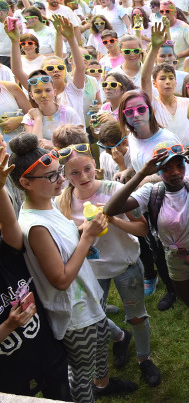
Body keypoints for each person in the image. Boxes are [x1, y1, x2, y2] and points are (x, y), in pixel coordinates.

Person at [10, 133, 137, 401]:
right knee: (79, 375)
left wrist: (83, 230)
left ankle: (103, 384)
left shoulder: (48, 206)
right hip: (74, 315)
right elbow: (60, 279)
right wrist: (88, 236)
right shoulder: (36, 226)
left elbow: (65, 242)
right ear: (25, 183)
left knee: (102, 341)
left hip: (88, 300)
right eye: (52, 176)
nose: (61, 180)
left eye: (59, 173)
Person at [104, 142, 189, 379]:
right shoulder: (151, 191)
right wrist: (141, 173)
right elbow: (111, 208)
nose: (174, 172)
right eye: (166, 168)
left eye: (179, 165)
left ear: (185, 165)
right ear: (157, 171)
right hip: (175, 260)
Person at [55, 139, 162, 387]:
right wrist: (86, 229)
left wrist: (114, 220)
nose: (83, 176)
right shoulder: (62, 201)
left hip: (126, 266)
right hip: (91, 272)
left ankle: (144, 360)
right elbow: (65, 241)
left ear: (95, 165)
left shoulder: (114, 190)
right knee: (95, 318)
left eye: (87, 169)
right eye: (74, 172)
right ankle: (119, 337)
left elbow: (142, 229)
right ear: (65, 175)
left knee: (136, 316)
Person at [0, 145, 70, 399]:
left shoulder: (7, 252)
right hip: (8, 373)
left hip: (46, 352)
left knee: (62, 393)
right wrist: (8, 326)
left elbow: (9, 222)